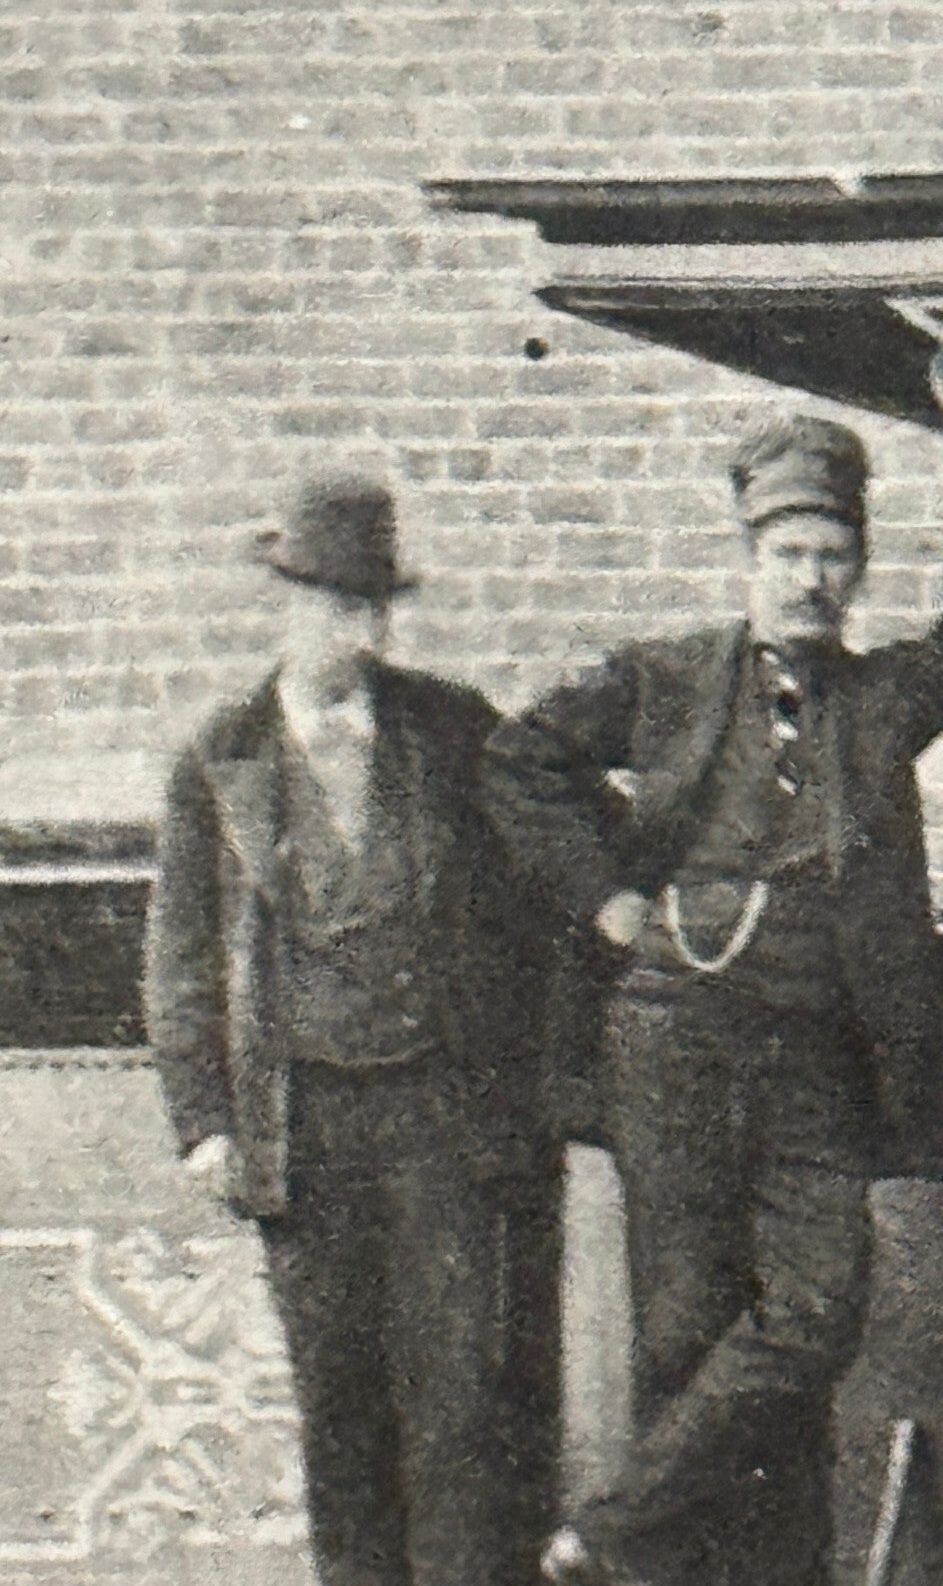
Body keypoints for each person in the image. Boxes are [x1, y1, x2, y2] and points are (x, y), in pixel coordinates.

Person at [483, 350, 943, 1586]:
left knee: (818, 1311)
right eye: (789, 554)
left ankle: (606, 1532)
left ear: (855, 571)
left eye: (833, 556)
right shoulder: (666, 682)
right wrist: (611, 902)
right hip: (670, 1044)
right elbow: (519, 762)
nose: (812, 579)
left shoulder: (885, 699)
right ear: (749, 559)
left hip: (822, 1059)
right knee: (683, 1339)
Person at [144, 476, 561, 1586]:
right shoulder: (218, 754)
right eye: (331, 604)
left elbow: (536, 900)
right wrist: (202, 1123)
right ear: (284, 605)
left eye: (371, 607)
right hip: (301, 1127)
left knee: (458, 1407)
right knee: (340, 1406)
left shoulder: (450, 728)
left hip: (440, 1116)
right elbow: (181, 953)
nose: (356, 630)